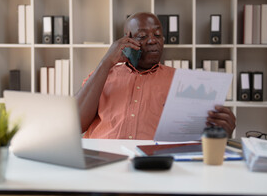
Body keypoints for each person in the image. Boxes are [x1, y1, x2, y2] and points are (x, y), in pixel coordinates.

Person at [76, 12, 236, 139]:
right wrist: (106, 62)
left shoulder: (182, 82)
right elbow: (74, 124)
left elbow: (193, 137)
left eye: (157, 35)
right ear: (127, 40)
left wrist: (221, 131)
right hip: (103, 165)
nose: (153, 41)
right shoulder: (104, 75)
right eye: (143, 36)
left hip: (154, 166)